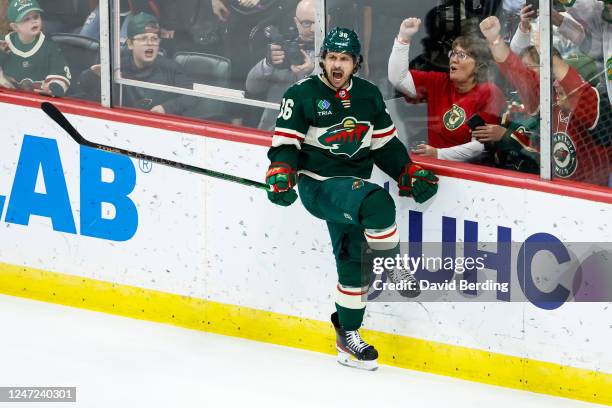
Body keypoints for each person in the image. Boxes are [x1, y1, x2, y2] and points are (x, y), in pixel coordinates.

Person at [264, 27, 439, 370]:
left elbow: (385, 145)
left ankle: (348, 337)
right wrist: (281, 172)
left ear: (356, 62)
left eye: (344, 58)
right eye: (331, 57)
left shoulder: (369, 96)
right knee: (379, 203)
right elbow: (285, 145)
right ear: (323, 60)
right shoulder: (301, 94)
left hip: (352, 191)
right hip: (320, 186)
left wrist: (406, 170)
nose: (337, 65)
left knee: (353, 261)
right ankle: (393, 266)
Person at [479, 16, 610, 185]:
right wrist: (494, 39)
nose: (557, 84)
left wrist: (546, 52)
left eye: (561, 78)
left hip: (588, 199)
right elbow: (515, 71)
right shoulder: (549, 98)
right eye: (555, 79)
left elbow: (575, 88)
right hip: (549, 193)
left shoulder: (594, 104)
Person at [388, 17, 506, 161]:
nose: (454, 59)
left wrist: (439, 154)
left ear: (478, 66)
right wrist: (403, 39)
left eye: (462, 55)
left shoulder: (489, 92)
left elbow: (479, 147)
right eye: (453, 53)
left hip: (470, 175)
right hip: (436, 166)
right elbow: (398, 79)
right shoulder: (439, 81)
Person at [78, 12, 197, 115]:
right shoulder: (118, 67)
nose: (150, 43)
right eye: (143, 38)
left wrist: (166, 108)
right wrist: (92, 73)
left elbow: (192, 96)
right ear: (130, 44)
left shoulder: (171, 68)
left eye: (154, 39)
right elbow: (84, 85)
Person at [245, 0, 315, 130]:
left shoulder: (341, 56)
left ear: (327, 20)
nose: (313, 29)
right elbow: (251, 87)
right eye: (306, 23)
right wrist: (268, 64)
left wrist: (313, 71)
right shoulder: (285, 49)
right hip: (270, 133)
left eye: (318, 22)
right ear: (296, 23)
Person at [0, 0, 71, 97]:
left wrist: (52, 89)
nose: (33, 21)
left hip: (39, 103)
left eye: (36, 16)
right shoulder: (3, 44)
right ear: (15, 27)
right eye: (26, 19)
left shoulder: (49, 46)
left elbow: (61, 74)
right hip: (9, 101)